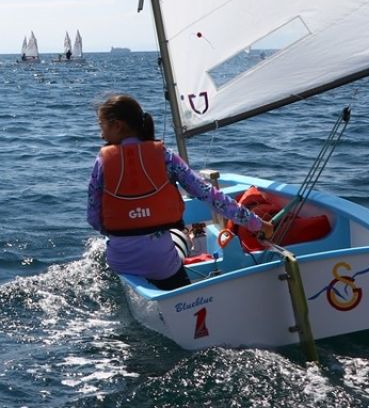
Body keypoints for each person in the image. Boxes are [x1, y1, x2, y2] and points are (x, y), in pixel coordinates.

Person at [86, 94, 274, 291]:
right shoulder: (166, 157)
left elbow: (94, 217)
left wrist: (125, 227)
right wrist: (257, 223)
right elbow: (210, 196)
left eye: (102, 126)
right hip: (161, 265)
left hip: (121, 261)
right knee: (177, 246)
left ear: (117, 125)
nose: (101, 134)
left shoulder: (102, 163)